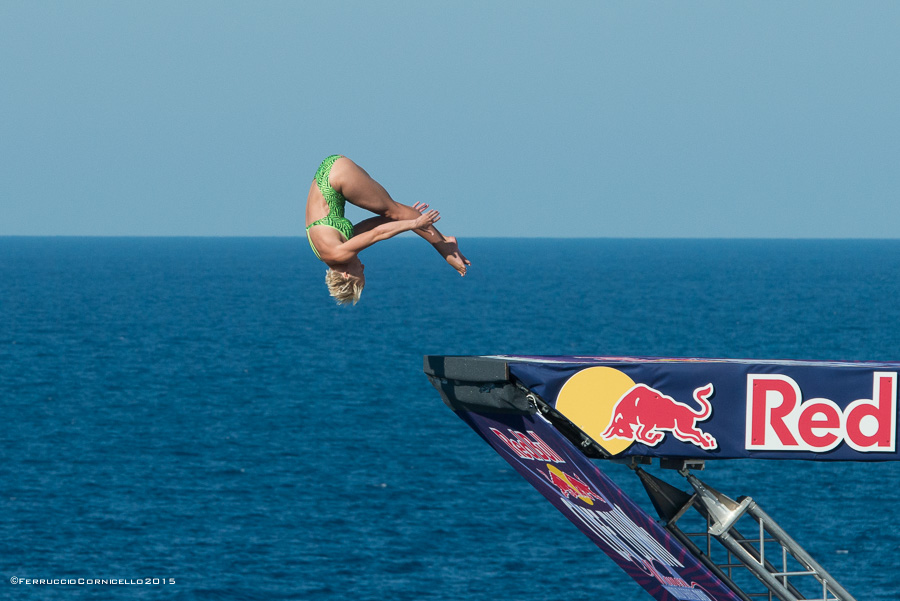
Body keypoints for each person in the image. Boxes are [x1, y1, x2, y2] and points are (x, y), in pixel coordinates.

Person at [305, 155, 470, 304]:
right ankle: (444, 242)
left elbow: (378, 234)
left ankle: (446, 248)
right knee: (396, 212)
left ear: (346, 275)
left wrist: (413, 223)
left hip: (336, 177)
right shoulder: (331, 252)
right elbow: (375, 225)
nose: (363, 268)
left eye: (361, 274)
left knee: (395, 211)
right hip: (331, 171)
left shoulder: (339, 253)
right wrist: (406, 218)